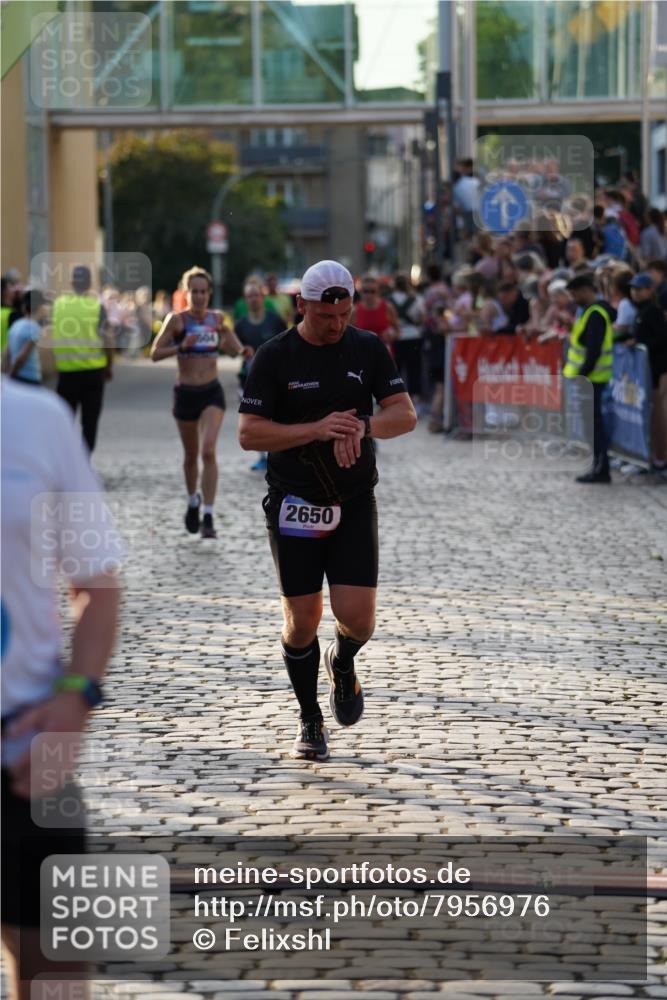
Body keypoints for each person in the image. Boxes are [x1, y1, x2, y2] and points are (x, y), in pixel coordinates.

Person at [237, 260, 416, 762]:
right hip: (294, 502)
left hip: (354, 499)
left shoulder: (367, 348)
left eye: (344, 315)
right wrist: (315, 429)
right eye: (325, 317)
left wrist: (362, 425)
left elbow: (404, 415)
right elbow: (249, 432)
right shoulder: (275, 357)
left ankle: (343, 662)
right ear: (302, 306)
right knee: (301, 621)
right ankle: (310, 719)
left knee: (358, 620)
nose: (336, 325)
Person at [1, 377, 122, 1000]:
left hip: (23, 744)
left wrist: (76, 700)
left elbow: (97, 588)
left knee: (55, 971)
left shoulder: (37, 419)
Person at [151, 266, 250, 540]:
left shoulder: (217, 320)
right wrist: (180, 347)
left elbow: (234, 347)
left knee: (208, 452)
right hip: (185, 394)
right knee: (191, 456)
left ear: (209, 293)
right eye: (194, 291)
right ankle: (192, 499)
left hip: (211, 393)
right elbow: (155, 353)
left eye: (203, 291)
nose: (199, 296)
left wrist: (243, 350)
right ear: (186, 293)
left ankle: (208, 513)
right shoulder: (177, 320)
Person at [52, 265, 113, 454]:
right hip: (93, 373)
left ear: (71, 283)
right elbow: (108, 339)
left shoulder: (59, 305)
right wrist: (109, 365)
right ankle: (83, 464)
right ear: (88, 284)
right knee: (90, 422)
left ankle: (64, 463)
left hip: (66, 373)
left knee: (64, 421)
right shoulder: (97, 307)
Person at [564, 273, 615, 483]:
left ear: (586, 290)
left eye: (575, 294)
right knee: (591, 425)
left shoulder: (595, 314)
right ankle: (598, 466)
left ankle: (601, 469)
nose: (574, 299)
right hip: (592, 378)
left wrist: (582, 376)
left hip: (593, 379)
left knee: (595, 426)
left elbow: (593, 351)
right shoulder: (590, 313)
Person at [235, 280, 287, 471]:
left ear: (262, 298)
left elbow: (288, 342)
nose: (253, 300)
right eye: (249, 296)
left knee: (274, 418)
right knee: (254, 420)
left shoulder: (275, 320)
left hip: (275, 378)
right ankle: (262, 457)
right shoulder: (240, 325)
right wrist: (241, 350)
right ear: (245, 300)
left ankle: (276, 455)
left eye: (256, 295)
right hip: (248, 378)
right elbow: (231, 349)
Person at [626, 273, 667, 471]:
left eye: (639, 289)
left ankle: (660, 457)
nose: (635, 293)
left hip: (657, 372)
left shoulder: (653, 311)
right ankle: (650, 455)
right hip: (646, 372)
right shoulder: (641, 311)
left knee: (658, 415)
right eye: (633, 289)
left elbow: (661, 338)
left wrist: (639, 344)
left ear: (650, 290)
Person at [388, 273, 424, 408]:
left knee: (395, 370)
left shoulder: (388, 300)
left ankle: (396, 402)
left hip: (396, 337)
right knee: (414, 369)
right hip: (413, 336)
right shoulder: (415, 299)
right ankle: (416, 401)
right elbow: (421, 317)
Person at [6, 289, 49, 385]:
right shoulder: (34, 328)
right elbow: (22, 356)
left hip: (16, 376)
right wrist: (11, 375)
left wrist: (6, 374)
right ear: (39, 307)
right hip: (30, 377)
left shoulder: (15, 324)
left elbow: (7, 353)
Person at [351, 274, 400, 357]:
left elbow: (398, 331)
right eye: (365, 291)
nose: (369, 295)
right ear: (360, 291)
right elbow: (348, 334)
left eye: (372, 291)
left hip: (384, 353)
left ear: (378, 291)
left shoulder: (387, 307)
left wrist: (391, 336)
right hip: (362, 354)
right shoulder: (355, 310)